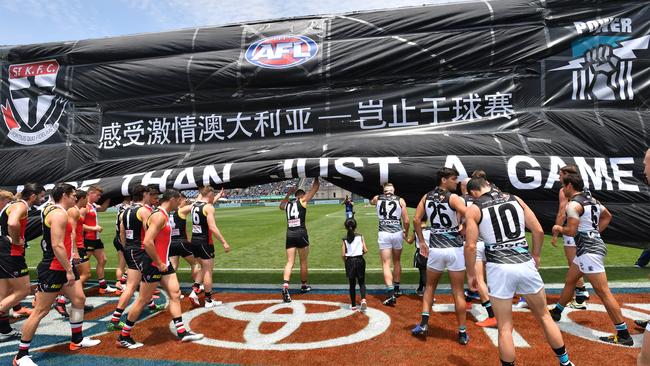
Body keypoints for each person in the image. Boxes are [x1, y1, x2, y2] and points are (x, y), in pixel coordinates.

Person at [464, 177, 573, 366]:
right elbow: (538, 231)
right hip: (525, 263)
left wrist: (472, 274)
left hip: (499, 268)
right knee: (545, 317)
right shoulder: (515, 198)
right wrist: (536, 256)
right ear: (488, 185)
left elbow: (471, 246)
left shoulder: (474, 208)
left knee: (505, 328)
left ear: (474, 192)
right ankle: (565, 362)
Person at [13, 183, 100, 366]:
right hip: (54, 268)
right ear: (65, 195)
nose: (76, 198)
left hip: (62, 265)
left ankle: (77, 340)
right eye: (74, 195)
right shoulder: (59, 214)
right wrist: (69, 270)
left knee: (79, 299)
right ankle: (21, 355)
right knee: (40, 311)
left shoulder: (52, 209)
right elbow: (57, 245)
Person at [550, 174, 633, 346]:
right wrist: (594, 234)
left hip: (588, 251)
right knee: (571, 280)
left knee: (603, 292)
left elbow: (571, 232)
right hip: (589, 249)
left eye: (563, 186)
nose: (562, 189)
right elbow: (607, 216)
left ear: (570, 185)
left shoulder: (573, 204)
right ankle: (557, 312)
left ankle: (624, 334)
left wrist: (558, 228)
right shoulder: (592, 200)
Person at [117, 189, 203, 349]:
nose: (181, 204)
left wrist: (164, 262)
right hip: (153, 264)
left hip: (164, 263)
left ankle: (182, 332)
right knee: (142, 300)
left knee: (175, 293)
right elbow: (148, 242)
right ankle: (124, 335)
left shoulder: (163, 215)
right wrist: (158, 262)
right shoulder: (158, 216)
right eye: (179, 201)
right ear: (173, 199)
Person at [411, 168, 469, 345]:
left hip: (436, 249)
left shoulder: (426, 197)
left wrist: (421, 241)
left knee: (429, 288)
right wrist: (463, 229)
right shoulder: (453, 197)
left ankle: (424, 324)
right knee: (458, 292)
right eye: (453, 179)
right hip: (454, 249)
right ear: (443, 180)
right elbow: (469, 214)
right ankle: (462, 332)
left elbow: (416, 220)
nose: (456, 182)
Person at [107, 185, 163, 332]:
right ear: (144, 194)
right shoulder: (144, 211)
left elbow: (122, 232)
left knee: (141, 282)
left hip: (131, 249)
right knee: (133, 285)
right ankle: (115, 319)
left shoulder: (125, 211)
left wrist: (127, 248)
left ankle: (149, 305)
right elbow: (149, 233)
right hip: (141, 251)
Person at [0, 183, 45, 341]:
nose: (43, 199)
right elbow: (12, 223)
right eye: (41, 196)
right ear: (33, 196)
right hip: (10, 253)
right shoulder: (21, 205)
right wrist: (17, 239)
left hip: (4, 251)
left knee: (4, 294)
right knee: (23, 291)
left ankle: (4, 329)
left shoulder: (12, 204)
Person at [550, 165, 589, 309]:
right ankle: (581, 293)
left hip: (572, 229)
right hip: (584, 229)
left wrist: (556, 232)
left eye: (561, 174)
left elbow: (562, 212)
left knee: (574, 263)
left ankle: (580, 296)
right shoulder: (585, 189)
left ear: (567, 175)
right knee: (578, 262)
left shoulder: (564, 190)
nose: (559, 177)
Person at [459, 177, 497, 328]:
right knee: (494, 279)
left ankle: (492, 315)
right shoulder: (496, 198)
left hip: (477, 243)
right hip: (493, 243)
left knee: (479, 280)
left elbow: (462, 227)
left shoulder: (466, 201)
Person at [279, 178, 319, 303]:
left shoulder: (288, 205)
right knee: (303, 261)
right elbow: (315, 188)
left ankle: (285, 287)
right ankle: (303, 285)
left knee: (289, 262)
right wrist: (316, 177)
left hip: (290, 234)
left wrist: (288, 193)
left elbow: (281, 206)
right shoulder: (302, 201)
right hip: (301, 234)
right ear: (301, 195)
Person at [189, 186, 230, 307]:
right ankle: (208, 300)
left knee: (202, 267)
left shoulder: (195, 205)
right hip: (205, 242)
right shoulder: (209, 207)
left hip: (194, 241)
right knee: (208, 271)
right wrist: (224, 242)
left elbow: (206, 204)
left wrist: (218, 196)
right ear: (210, 195)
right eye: (214, 195)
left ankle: (195, 289)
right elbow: (212, 227)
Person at [371, 182, 409, 306]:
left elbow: (372, 201)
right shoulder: (401, 200)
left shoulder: (378, 198)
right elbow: (407, 221)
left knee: (386, 263)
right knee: (397, 261)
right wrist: (405, 232)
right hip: (397, 232)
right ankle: (397, 288)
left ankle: (391, 293)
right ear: (393, 190)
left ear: (384, 191)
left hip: (384, 233)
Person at [168, 193, 201, 306]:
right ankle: (196, 287)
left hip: (170, 243)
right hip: (181, 242)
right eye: (183, 200)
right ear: (179, 200)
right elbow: (197, 205)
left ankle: (175, 292)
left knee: (173, 268)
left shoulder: (166, 212)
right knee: (195, 263)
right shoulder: (181, 211)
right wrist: (201, 194)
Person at [80, 185, 114, 294]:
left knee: (103, 260)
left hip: (96, 239)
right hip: (88, 239)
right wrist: (94, 228)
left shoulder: (93, 205)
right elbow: (78, 225)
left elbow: (103, 208)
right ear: (90, 193)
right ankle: (67, 292)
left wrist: (111, 197)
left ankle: (103, 286)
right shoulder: (84, 207)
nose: (99, 197)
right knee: (83, 268)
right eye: (97, 195)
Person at [341, 218, 368, 311]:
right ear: (355, 226)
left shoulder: (344, 239)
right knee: (362, 282)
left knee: (352, 284)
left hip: (350, 261)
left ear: (345, 227)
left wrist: (347, 262)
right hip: (360, 260)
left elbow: (343, 254)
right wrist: (359, 254)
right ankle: (363, 299)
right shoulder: (360, 236)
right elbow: (365, 250)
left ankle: (353, 305)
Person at [113, 196, 131, 293]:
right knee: (131, 263)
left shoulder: (121, 208)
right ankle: (121, 284)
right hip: (123, 238)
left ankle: (119, 285)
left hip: (118, 237)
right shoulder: (127, 210)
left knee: (121, 264)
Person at [406, 219, 428, 297]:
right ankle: (420, 289)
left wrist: (404, 236)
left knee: (423, 273)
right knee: (425, 273)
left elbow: (410, 241)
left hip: (421, 253)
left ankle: (428, 294)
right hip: (431, 253)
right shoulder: (431, 230)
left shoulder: (416, 231)